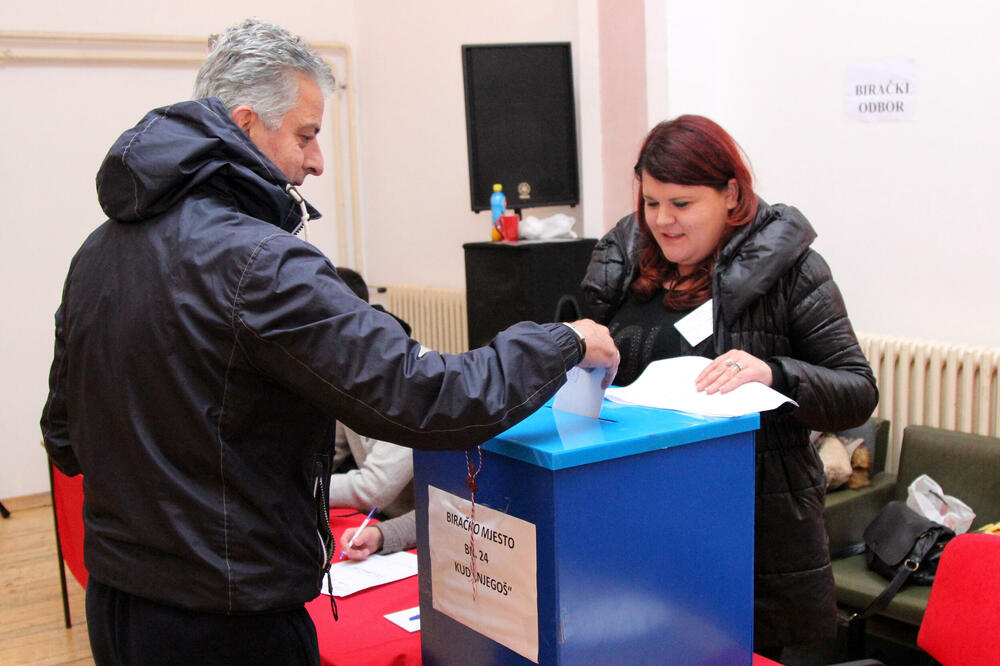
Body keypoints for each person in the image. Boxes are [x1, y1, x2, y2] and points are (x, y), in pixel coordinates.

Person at [39, 19, 618, 665]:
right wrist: (561, 340)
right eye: (307, 135)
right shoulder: (257, 262)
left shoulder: (97, 251)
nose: (316, 161)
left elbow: (63, 435)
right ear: (247, 122)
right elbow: (428, 397)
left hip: (119, 602)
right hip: (228, 620)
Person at [581, 115, 877, 657]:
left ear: (731, 195)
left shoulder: (793, 271)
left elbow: (857, 389)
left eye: (682, 203)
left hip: (757, 535)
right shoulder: (623, 266)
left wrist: (775, 373)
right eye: (651, 203)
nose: (663, 220)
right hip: (640, 522)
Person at [329, 267, 416, 560]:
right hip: (378, 525)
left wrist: (299, 488)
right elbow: (332, 451)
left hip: (403, 528)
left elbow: (374, 489)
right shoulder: (345, 370)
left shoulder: (410, 379)